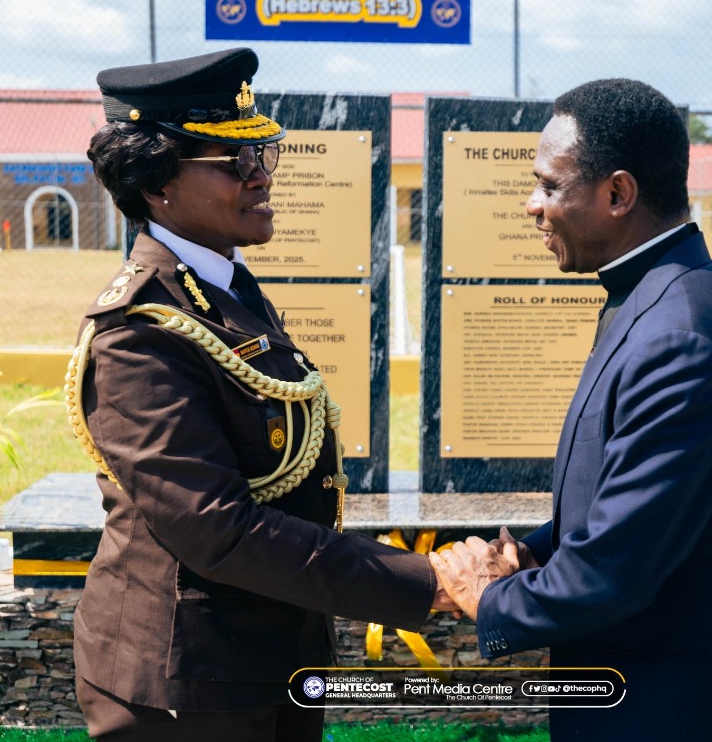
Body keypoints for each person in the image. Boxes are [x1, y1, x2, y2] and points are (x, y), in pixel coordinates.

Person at [430, 79, 712, 741]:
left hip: (691, 708)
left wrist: (489, 594)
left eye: (549, 185)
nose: (532, 205)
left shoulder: (682, 333)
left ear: (617, 194)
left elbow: (617, 567)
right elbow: (621, 503)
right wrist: (524, 554)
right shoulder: (652, 297)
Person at [67, 48, 445, 742]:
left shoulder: (221, 286)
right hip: (187, 681)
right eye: (233, 161)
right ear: (158, 183)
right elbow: (219, 528)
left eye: (262, 154)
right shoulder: (139, 332)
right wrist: (428, 579)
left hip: (268, 654)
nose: (260, 175)